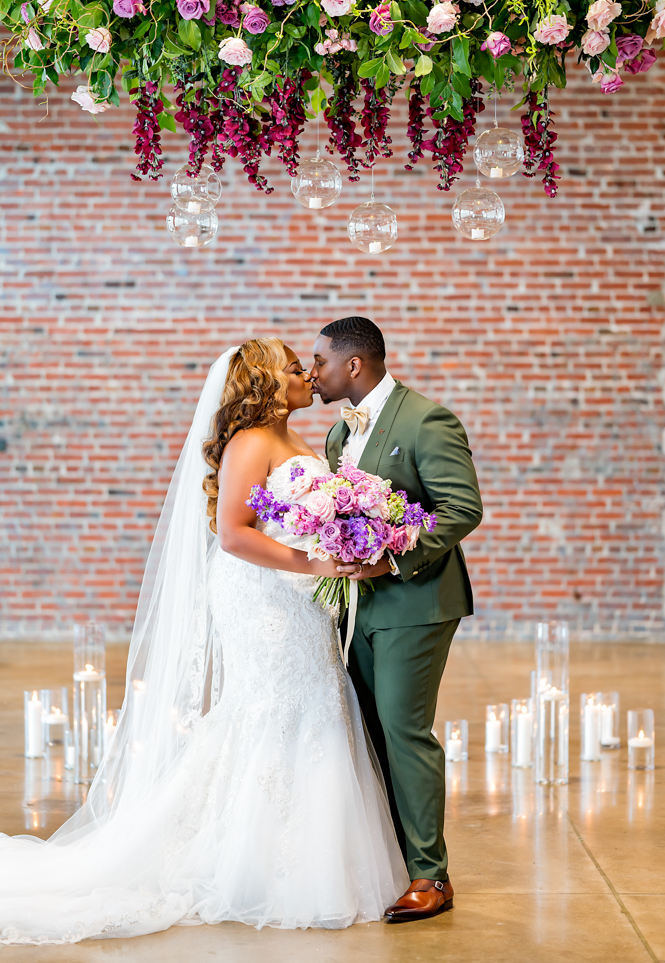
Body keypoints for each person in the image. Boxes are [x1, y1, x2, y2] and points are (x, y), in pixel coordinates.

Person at [0, 338, 407, 945]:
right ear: (267, 382)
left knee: (313, 700)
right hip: (262, 596)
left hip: (298, 597)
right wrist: (315, 564)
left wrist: (349, 539)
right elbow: (234, 533)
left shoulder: (303, 441)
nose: (306, 375)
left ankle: (295, 851)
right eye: (294, 367)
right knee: (271, 705)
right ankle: (249, 860)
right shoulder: (251, 441)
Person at [310, 317, 483, 921]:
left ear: (353, 365)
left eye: (320, 361)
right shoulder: (337, 433)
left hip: (417, 601)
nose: (313, 373)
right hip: (358, 607)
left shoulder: (426, 419)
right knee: (371, 730)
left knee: (405, 730)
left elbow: (460, 508)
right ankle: (395, 861)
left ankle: (431, 878)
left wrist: (389, 558)